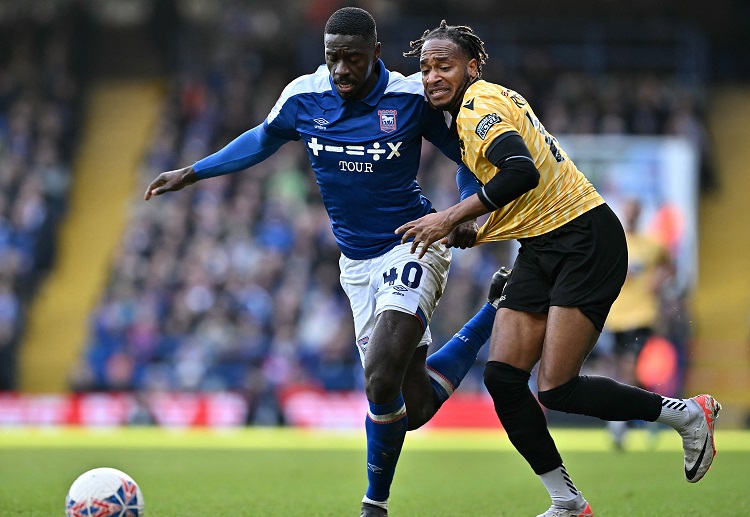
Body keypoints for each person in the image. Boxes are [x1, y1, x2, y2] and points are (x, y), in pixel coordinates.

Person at [144, 8, 508, 517]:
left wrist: (459, 215)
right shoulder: (303, 96)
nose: (341, 69)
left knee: (379, 378)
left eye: (353, 59)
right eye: (333, 57)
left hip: (413, 243)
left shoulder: (408, 98)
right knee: (414, 404)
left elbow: (467, 154)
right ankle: (494, 311)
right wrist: (194, 172)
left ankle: (373, 505)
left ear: (376, 54)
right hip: (356, 264)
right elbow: (262, 139)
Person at [398, 21, 721, 517]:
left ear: (472, 67)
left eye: (444, 65)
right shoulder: (480, 107)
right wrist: (473, 228)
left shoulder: (479, 107)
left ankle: (684, 414)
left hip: (584, 239)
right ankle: (566, 500)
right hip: (543, 244)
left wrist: (450, 217)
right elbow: (525, 194)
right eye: (425, 68)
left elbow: (521, 170)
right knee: (504, 378)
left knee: (556, 387)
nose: (432, 76)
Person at [603, 197, 674, 449]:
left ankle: (619, 424)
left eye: (635, 211)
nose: (631, 215)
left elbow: (670, 267)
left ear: (640, 213)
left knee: (630, 368)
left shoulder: (652, 244)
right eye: (628, 211)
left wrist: (658, 280)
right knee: (627, 371)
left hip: (642, 315)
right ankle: (657, 413)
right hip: (615, 317)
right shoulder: (613, 242)